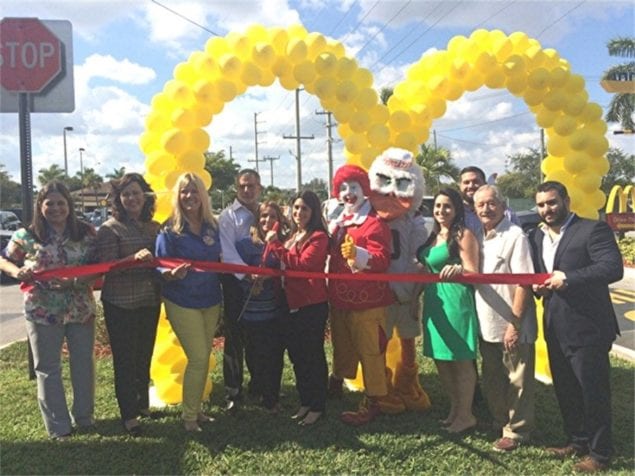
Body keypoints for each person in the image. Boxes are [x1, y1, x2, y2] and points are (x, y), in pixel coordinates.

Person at [529, 181, 623, 472]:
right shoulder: (535, 237)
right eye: (542, 204)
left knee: (592, 392)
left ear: (566, 200)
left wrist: (568, 278)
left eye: (552, 202)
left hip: (589, 327)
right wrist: (538, 288)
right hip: (555, 326)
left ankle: (600, 454)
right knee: (566, 389)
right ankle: (576, 440)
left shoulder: (592, 229)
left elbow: (612, 268)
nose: (547, 209)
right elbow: (538, 276)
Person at [0, 181, 97, 439]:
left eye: (61, 203)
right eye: (49, 203)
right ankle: (58, 427)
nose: (55, 208)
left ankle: (85, 417)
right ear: (40, 206)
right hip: (42, 310)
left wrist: (77, 281)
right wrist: (17, 271)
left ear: (69, 206)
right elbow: (4, 259)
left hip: (80, 309)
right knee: (47, 368)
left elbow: (99, 266)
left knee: (83, 363)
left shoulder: (87, 233)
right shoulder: (26, 235)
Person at [327, 164, 402, 426]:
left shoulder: (374, 223)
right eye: (344, 188)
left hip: (368, 303)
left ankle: (374, 400)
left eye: (354, 187)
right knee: (343, 346)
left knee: (371, 351)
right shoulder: (338, 221)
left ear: (365, 190)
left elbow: (381, 259)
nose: (349, 193)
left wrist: (358, 254)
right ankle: (336, 381)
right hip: (339, 299)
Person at [95, 173, 161, 436]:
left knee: (144, 355)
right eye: (126, 194)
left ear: (145, 197)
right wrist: (133, 258)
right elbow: (107, 268)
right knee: (125, 359)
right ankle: (129, 415)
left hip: (149, 300)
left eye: (136, 193)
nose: (132, 198)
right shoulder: (109, 229)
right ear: (119, 200)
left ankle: (142, 405)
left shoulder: (154, 227)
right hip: (120, 304)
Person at [155, 172, 222, 432]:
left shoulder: (212, 226)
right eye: (184, 191)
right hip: (182, 301)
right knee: (198, 357)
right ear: (178, 196)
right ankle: (189, 418)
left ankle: (197, 410)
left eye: (194, 191)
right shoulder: (169, 229)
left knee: (204, 357)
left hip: (211, 299)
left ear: (202, 196)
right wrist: (171, 274)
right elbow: (160, 266)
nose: (189, 196)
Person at [472, 185, 537, 452]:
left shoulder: (515, 236)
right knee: (493, 377)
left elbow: (524, 282)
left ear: (502, 205)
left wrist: (515, 323)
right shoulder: (479, 236)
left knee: (518, 379)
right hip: (487, 324)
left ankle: (518, 430)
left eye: (491, 203)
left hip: (512, 323)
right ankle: (499, 421)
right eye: (480, 205)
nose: (486, 209)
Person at [367, 147, 431, 412]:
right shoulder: (369, 220)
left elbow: (418, 261)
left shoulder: (416, 223)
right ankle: (382, 386)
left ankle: (407, 382)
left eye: (402, 184)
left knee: (407, 338)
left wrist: (413, 292)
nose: (392, 192)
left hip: (406, 292)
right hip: (380, 292)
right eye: (384, 182)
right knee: (380, 340)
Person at [416, 187, 480, 433]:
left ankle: (466, 414)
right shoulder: (433, 236)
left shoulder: (463, 235)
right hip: (433, 304)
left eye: (447, 206)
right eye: (438, 206)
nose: (441, 211)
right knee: (442, 360)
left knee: (461, 361)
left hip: (456, 302)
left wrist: (460, 271)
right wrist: (414, 301)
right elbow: (425, 272)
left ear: (457, 210)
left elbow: (474, 272)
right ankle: (455, 409)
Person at [265, 191, 330, 426]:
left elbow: (302, 265)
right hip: (289, 303)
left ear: (313, 212)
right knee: (298, 357)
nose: (299, 213)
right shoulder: (294, 235)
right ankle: (305, 401)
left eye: (304, 209)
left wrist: (276, 246)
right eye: (295, 208)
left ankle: (318, 405)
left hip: (311, 304)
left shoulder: (319, 237)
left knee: (312, 356)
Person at [235, 201, 289, 414]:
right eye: (264, 216)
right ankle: (257, 386)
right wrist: (249, 278)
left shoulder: (282, 243)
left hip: (275, 310)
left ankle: (271, 398)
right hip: (251, 311)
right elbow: (233, 271)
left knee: (274, 355)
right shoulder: (244, 245)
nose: (267, 221)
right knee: (255, 356)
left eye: (273, 217)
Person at [218, 169, 262, 413]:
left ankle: (259, 384)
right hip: (236, 283)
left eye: (252, 186)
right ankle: (233, 390)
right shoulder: (228, 217)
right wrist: (248, 275)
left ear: (259, 188)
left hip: (265, 286)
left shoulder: (265, 214)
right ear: (237, 188)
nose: (247, 190)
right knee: (235, 338)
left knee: (260, 335)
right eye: (243, 186)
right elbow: (227, 252)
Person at [459, 166, 518, 234]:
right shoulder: (454, 214)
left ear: (484, 183)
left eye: (476, 181)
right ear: (460, 185)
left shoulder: (506, 213)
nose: (471, 186)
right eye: (466, 182)